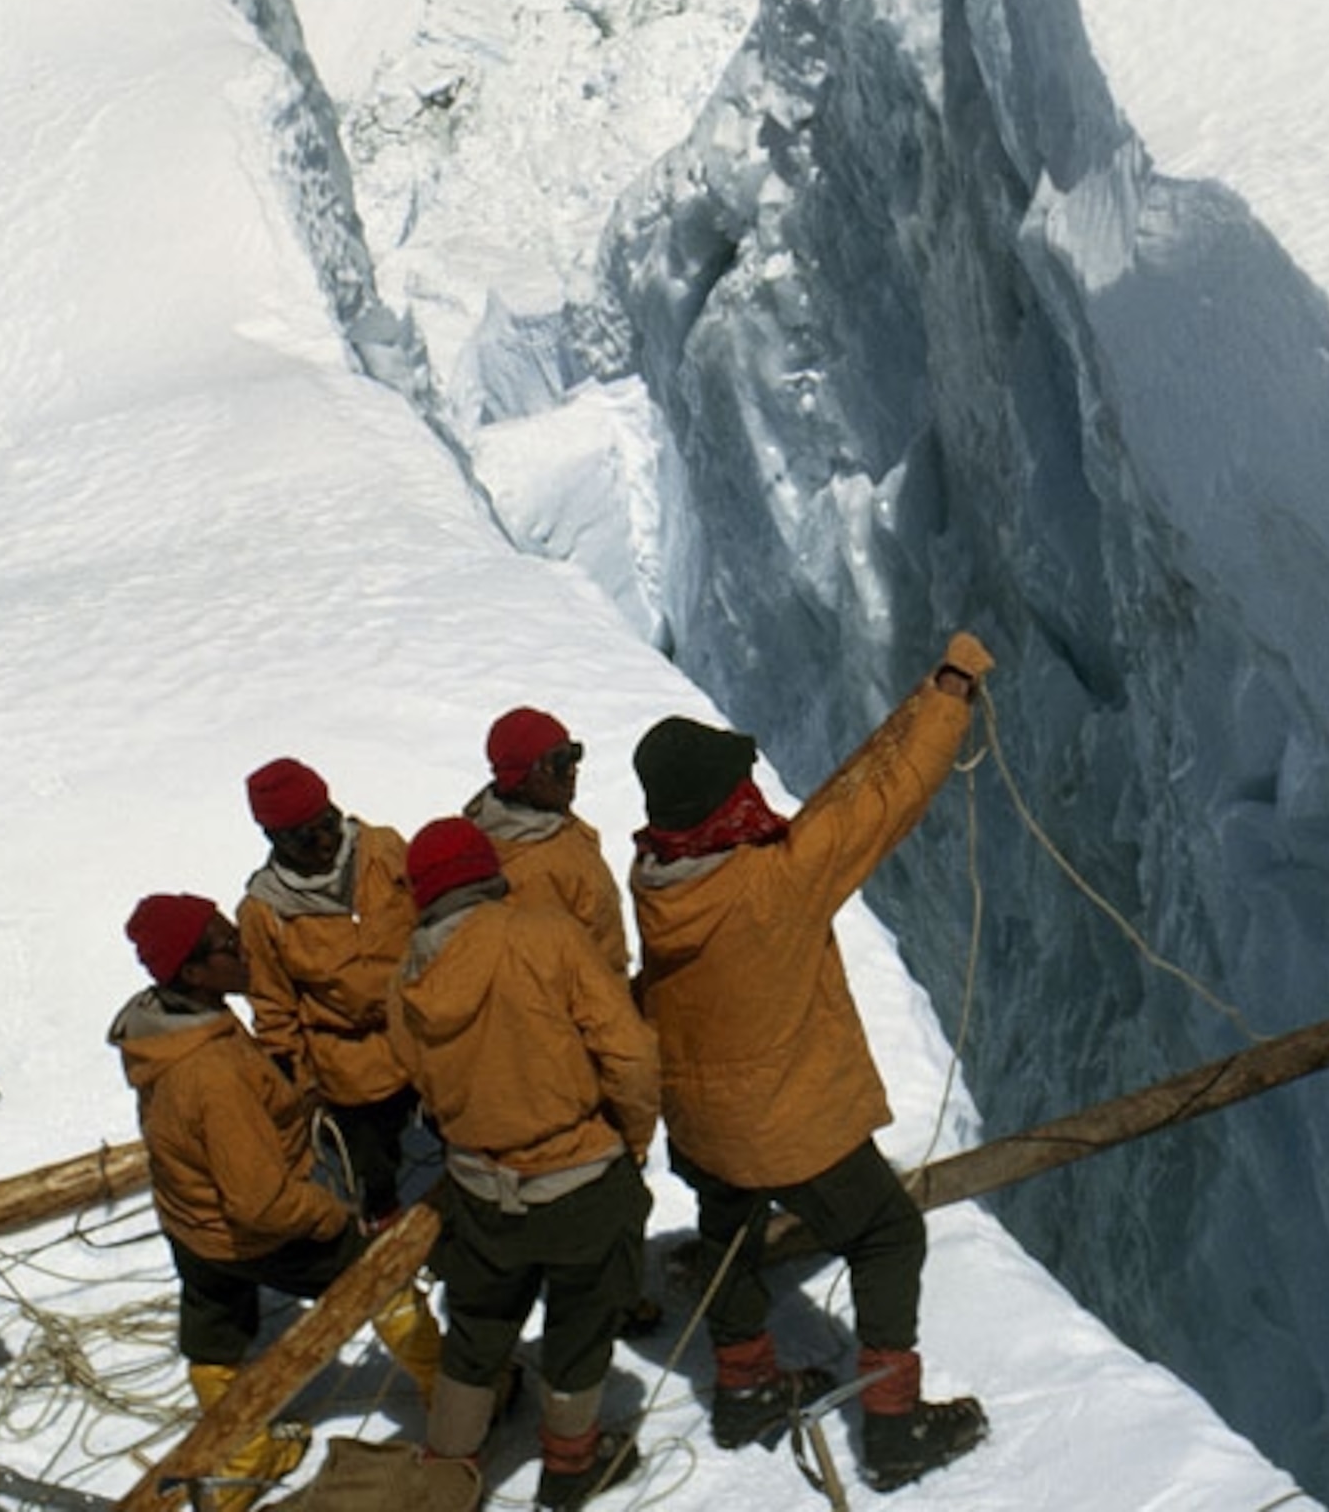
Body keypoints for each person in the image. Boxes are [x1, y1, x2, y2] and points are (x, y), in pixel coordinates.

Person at [629, 635, 995, 1494]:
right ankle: (895, 1424)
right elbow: (880, 808)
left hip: (702, 1117)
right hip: (782, 1120)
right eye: (737, 785)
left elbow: (836, 802)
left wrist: (920, 698)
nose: (752, 793)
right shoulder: (772, 884)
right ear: (723, 805)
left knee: (729, 1237)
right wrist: (950, 698)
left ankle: (748, 1390)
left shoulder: (660, 875)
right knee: (886, 1232)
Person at [111, 893, 443, 1492]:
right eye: (226, 945)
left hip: (192, 1222)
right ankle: (454, 1399)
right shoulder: (210, 1073)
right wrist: (333, 1214)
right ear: (190, 970)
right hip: (247, 1227)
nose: (242, 949)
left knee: (215, 1334)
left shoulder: (166, 1028)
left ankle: (241, 1464)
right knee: (379, 1279)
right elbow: (259, 1203)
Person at [387, 819, 659, 1508]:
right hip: (580, 1179)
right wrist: (630, 1137)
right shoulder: (544, 934)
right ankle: (571, 1464)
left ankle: (450, 1472)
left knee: (477, 1328)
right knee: (582, 1321)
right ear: (487, 872)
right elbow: (628, 1053)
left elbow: (417, 1073)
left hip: (480, 1187)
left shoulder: (407, 979)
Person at [237, 757, 421, 1224]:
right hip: (350, 1063)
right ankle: (383, 1232)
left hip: (424, 1031)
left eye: (328, 824)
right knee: (371, 1164)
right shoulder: (265, 913)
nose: (324, 842)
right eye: (304, 836)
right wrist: (301, 1086)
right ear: (273, 840)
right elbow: (273, 1006)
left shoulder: (383, 850)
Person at [463, 708, 630, 982]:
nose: (573, 770)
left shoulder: (554, 825)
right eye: (559, 761)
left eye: (574, 754)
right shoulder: (525, 872)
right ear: (519, 780)